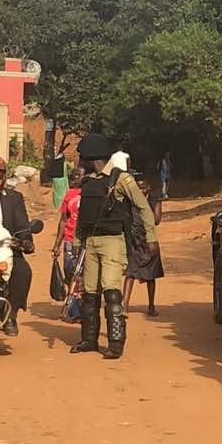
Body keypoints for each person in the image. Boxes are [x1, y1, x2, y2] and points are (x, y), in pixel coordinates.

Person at [71, 133, 158, 359]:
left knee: (111, 293)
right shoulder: (89, 181)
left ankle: (116, 342)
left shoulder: (121, 179)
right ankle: (89, 339)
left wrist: (151, 238)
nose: (80, 161)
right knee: (89, 294)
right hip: (90, 242)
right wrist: (77, 243)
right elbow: (83, 216)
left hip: (113, 241)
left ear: (92, 157)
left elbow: (143, 208)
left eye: (82, 157)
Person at [0, 153, 35, 335]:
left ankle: (11, 315)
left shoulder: (13, 197)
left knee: (22, 272)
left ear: (4, 174)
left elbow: (22, 224)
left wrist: (26, 240)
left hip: (3, 247)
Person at [123, 177, 165, 317]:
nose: (140, 190)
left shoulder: (154, 201)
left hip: (149, 241)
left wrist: (145, 209)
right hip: (134, 241)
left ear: (148, 188)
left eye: (143, 187)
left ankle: (151, 306)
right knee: (130, 273)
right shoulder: (129, 201)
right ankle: (124, 306)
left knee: (150, 275)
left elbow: (157, 220)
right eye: (138, 187)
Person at [51, 168, 85, 322]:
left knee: (82, 276)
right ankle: (73, 306)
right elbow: (63, 220)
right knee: (70, 273)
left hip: (86, 241)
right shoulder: (69, 195)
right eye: (73, 176)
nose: (75, 178)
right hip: (70, 240)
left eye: (79, 175)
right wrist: (57, 244)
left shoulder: (93, 194)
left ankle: (76, 310)